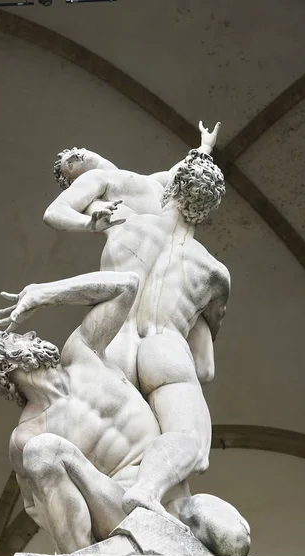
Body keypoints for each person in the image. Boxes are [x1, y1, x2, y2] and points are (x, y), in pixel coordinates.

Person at [0, 271, 249, 556]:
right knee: (42, 451)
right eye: (14, 342)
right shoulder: (29, 433)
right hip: (116, 507)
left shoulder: (83, 353)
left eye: (24, 336)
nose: (28, 338)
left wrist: (44, 292)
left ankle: (147, 491)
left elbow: (126, 286)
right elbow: (40, 507)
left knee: (233, 539)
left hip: (174, 503)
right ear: (3, 374)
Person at [43, 122, 229, 518]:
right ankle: (147, 492)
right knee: (187, 440)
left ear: (169, 191)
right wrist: (203, 150)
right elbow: (206, 368)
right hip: (167, 348)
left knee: (110, 442)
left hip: (113, 343)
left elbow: (70, 209)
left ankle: (105, 510)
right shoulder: (215, 273)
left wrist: (89, 222)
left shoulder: (126, 220)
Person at [46, 121, 218, 387]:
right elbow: (54, 213)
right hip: (143, 266)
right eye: (72, 163)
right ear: (73, 179)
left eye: (76, 152)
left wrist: (205, 147)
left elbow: (186, 173)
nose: (78, 155)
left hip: (173, 265)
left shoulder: (150, 181)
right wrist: (87, 224)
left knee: (202, 362)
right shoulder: (98, 182)